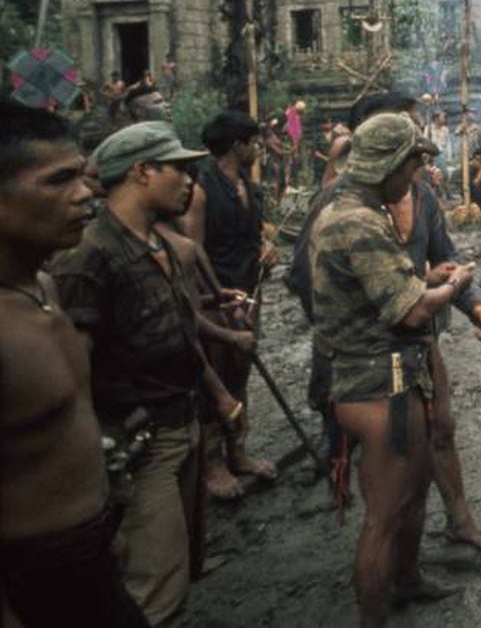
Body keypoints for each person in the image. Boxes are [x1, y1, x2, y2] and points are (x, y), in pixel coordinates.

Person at [52, 122, 246, 625]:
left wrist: (219, 397)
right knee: (152, 589)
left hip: (180, 423)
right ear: (141, 172)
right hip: (139, 440)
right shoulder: (90, 258)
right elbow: (74, 377)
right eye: (178, 170)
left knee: (177, 570)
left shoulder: (157, 248)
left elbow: (180, 337)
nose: (189, 182)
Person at [307, 113, 474, 626]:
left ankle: (408, 581)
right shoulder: (357, 220)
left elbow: (382, 286)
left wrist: (426, 275)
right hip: (376, 383)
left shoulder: (355, 209)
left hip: (391, 374)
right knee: (382, 516)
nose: (418, 174)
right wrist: (453, 286)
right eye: (413, 163)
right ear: (392, 165)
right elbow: (410, 311)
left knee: (410, 491)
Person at [0, 102, 150, 628]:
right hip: (34, 577)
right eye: (60, 180)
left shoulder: (42, 287)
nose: (87, 192)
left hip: (92, 557)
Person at [182, 111, 278, 498]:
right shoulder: (201, 190)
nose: (258, 148)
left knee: (240, 373)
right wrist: (219, 302)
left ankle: (238, 451)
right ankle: (213, 463)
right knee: (215, 380)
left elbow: (254, 237)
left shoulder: (250, 189)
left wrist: (267, 249)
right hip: (216, 297)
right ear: (237, 145)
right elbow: (192, 252)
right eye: (254, 143)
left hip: (250, 290)